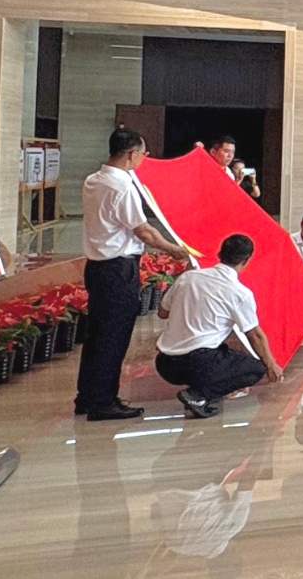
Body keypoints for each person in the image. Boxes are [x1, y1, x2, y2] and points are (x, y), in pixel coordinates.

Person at [75, 128, 193, 421]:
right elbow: (144, 231)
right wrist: (174, 249)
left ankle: (87, 396)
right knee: (113, 338)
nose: (144, 158)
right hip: (117, 270)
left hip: (97, 268)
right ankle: (103, 402)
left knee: (97, 335)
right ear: (131, 154)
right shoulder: (122, 188)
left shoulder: (93, 180)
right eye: (143, 153)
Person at [155, 233, 283, 418]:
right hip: (199, 364)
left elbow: (162, 312)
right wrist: (271, 364)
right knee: (255, 368)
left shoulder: (187, 277)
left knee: (223, 352)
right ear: (246, 261)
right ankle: (198, 395)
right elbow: (254, 335)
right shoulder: (239, 293)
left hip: (165, 364)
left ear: (220, 254)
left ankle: (200, 387)